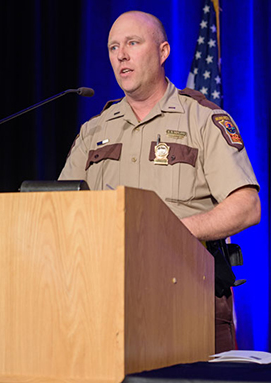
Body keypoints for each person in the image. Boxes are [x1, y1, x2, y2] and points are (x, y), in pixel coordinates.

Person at [59, 11, 261, 352]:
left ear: (163, 51)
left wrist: (170, 229)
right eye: (113, 47)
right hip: (106, 300)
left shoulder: (203, 119)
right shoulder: (94, 131)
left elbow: (247, 207)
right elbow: (60, 208)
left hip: (189, 295)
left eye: (133, 43)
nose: (121, 54)